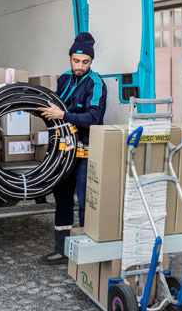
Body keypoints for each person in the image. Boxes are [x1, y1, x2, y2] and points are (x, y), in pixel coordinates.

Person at [37, 32, 108, 265]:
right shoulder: (65, 79)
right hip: (65, 149)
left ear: (91, 61)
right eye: (76, 61)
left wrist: (63, 115)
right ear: (70, 58)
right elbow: (56, 106)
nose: (79, 66)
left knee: (85, 199)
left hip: (85, 150)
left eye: (85, 62)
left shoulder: (96, 84)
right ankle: (62, 249)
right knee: (62, 195)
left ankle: (86, 251)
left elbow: (94, 118)